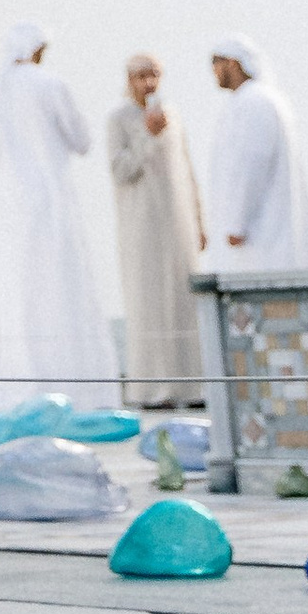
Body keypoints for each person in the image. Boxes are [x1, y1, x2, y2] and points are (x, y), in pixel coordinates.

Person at [0, 29, 113, 407]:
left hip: (13, 210)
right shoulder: (50, 85)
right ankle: (79, 392)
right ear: (37, 49)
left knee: (21, 298)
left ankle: (22, 393)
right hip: (52, 203)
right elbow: (82, 140)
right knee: (65, 291)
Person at [106, 55, 206, 405]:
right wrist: (148, 136)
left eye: (154, 75)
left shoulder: (171, 115)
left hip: (178, 225)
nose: (148, 83)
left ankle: (192, 387)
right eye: (141, 76)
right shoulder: (118, 119)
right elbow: (120, 171)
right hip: (142, 227)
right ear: (129, 80)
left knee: (183, 302)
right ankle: (153, 389)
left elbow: (187, 171)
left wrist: (199, 221)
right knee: (149, 302)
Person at [210, 40, 308, 265]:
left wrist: (237, 223)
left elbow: (252, 163)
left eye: (216, 62)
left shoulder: (254, 102)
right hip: (264, 233)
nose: (213, 70)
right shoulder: (251, 100)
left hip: (263, 234)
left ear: (232, 63)